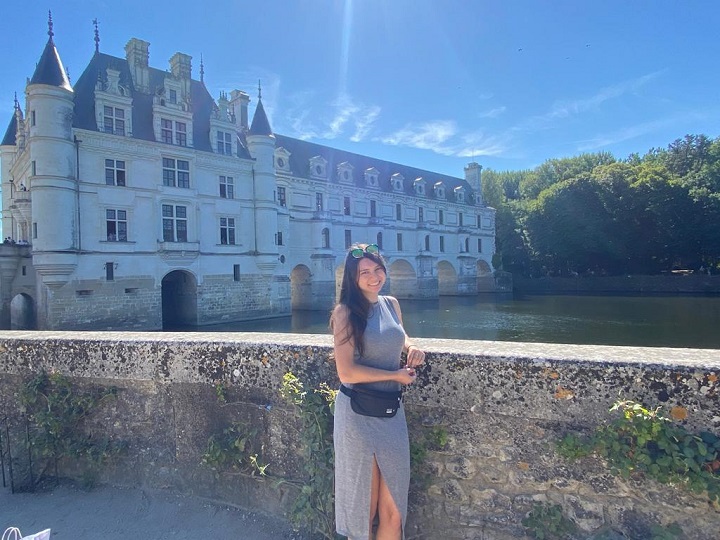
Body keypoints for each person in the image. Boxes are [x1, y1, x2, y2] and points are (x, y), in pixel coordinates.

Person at [330, 243, 425, 540]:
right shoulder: (344, 313)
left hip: (390, 413)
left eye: (378, 269)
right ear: (352, 278)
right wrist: (394, 375)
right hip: (358, 415)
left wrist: (411, 346)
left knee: (394, 512)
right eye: (365, 273)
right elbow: (346, 373)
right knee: (363, 511)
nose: (374, 277)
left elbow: (398, 332)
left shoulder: (391, 303)